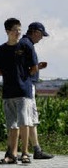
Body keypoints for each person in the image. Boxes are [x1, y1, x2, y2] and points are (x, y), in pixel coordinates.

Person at [0, 18, 36, 164]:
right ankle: (12, 154)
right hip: (8, 92)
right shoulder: (0, 50)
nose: (17, 32)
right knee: (12, 124)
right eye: (14, 30)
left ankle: (25, 153)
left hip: (23, 91)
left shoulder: (26, 46)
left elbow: (34, 67)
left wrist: (23, 78)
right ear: (7, 31)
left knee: (24, 122)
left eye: (19, 29)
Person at [19, 21, 53, 159]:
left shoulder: (21, 43)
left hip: (22, 85)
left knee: (26, 119)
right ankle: (32, 150)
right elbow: (30, 69)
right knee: (30, 118)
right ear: (36, 32)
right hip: (27, 85)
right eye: (41, 35)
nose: (41, 38)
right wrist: (37, 68)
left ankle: (32, 148)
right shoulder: (28, 45)